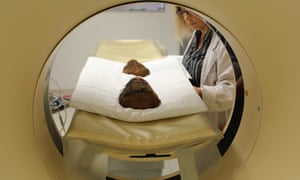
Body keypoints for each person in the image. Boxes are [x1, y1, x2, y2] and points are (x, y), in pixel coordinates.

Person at [175, 6, 236, 130]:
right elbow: (193, 62)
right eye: (182, 12)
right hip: (193, 112)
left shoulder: (223, 41)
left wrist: (199, 93)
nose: (186, 17)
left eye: (191, 11)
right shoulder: (198, 34)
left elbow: (230, 91)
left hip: (214, 117)